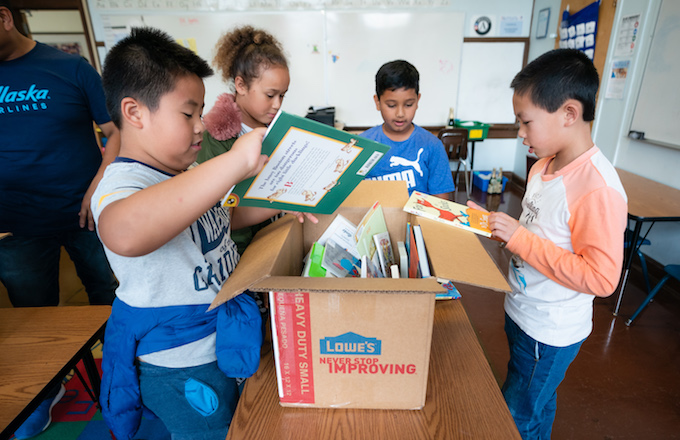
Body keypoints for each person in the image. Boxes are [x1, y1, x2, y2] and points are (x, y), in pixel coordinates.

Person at [92, 27, 314, 440]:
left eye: (201, 113)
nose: (199, 127)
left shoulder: (185, 175)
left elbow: (222, 217)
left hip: (221, 338)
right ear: (135, 112)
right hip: (180, 361)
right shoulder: (123, 184)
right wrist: (233, 163)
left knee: (237, 424)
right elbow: (123, 232)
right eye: (188, 114)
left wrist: (286, 200)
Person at [468, 49, 628, 439]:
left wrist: (520, 239)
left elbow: (602, 278)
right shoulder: (543, 166)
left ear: (569, 113)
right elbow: (537, 232)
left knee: (515, 414)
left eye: (526, 122)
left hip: (550, 330)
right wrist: (502, 231)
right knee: (537, 400)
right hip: (523, 309)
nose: (521, 133)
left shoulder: (597, 188)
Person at [0, 2, 119, 437]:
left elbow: (115, 132)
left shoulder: (70, 68)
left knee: (109, 296)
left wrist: (98, 188)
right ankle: (46, 392)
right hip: (14, 225)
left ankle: (122, 379)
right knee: (34, 321)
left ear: (4, 16)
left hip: (85, 214)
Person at [197, 25, 289, 255]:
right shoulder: (215, 139)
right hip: (238, 255)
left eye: (282, 96)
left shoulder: (279, 131)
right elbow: (218, 216)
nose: (277, 104)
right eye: (270, 95)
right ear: (241, 85)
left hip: (276, 244)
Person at [361, 60, 455, 200]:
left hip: (418, 221)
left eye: (408, 104)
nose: (400, 113)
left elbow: (441, 203)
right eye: (391, 105)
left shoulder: (432, 146)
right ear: (377, 102)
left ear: (417, 101)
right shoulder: (363, 144)